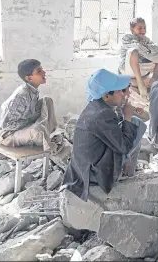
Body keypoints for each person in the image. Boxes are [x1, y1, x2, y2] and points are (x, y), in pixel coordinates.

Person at [62, 69, 147, 201]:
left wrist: (124, 112)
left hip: (83, 168)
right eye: (122, 91)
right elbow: (124, 146)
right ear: (106, 95)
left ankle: (127, 168)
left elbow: (113, 126)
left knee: (135, 123)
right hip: (93, 173)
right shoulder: (102, 114)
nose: (127, 94)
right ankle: (126, 173)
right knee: (136, 126)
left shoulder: (97, 105)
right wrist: (128, 117)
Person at [0, 59, 58, 152]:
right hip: (9, 135)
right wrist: (31, 125)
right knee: (37, 133)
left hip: (24, 126)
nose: (44, 72)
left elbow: (31, 113)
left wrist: (34, 121)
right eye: (39, 71)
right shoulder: (21, 95)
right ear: (29, 78)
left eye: (42, 69)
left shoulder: (32, 90)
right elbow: (9, 125)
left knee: (47, 101)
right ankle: (48, 144)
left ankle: (48, 133)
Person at [119, 17, 158, 98]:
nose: (143, 30)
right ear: (132, 29)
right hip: (128, 69)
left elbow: (157, 48)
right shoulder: (127, 37)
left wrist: (146, 49)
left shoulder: (146, 39)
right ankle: (140, 82)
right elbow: (136, 46)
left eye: (144, 28)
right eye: (139, 28)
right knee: (133, 51)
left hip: (142, 67)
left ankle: (155, 77)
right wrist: (148, 50)